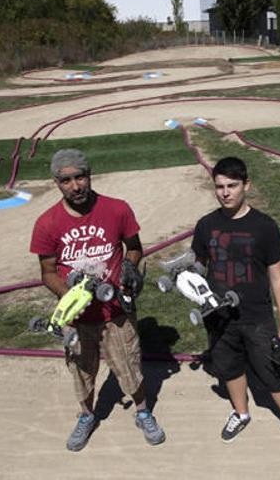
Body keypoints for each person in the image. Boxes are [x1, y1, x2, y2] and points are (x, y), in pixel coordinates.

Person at [30, 148, 165, 451]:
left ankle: (143, 412)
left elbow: (134, 246)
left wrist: (130, 267)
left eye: (80, 177)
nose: (76, 186)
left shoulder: (117, 209)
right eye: (67, 180)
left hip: (116, 310)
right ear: (56, 182)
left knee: (130, 365)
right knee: (80, 369)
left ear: (89, 176)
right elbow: (47, 272)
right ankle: (86, 416)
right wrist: (72, 297)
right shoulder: (47, 222)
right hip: (76, 318)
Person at [190, 156, 280, 457]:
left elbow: (277, 279)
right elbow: (198, 265)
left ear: (246, 185)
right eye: (219, 186)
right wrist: (188, 278)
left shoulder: (264, 226)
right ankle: (241, 413)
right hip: (218, 317)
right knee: (229, 367)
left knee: (272, 372)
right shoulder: (206, 225)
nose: (225, 192)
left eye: (232, 185)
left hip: (257, 317)